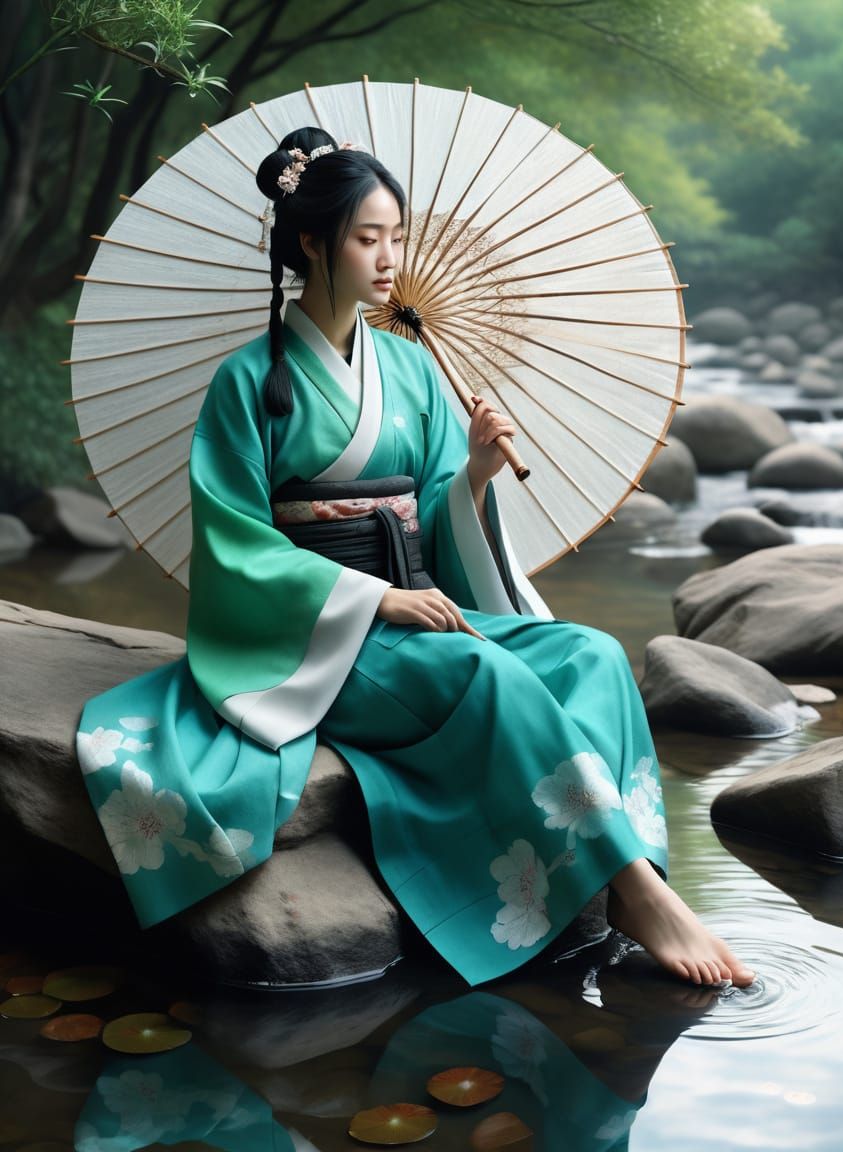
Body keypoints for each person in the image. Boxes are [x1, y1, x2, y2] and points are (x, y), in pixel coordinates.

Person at [75, 126, 754, 990]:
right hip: (327, 639)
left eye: (398, 235)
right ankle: (633, 889)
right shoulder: (249, 382)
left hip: (422, 606)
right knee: (490, 677)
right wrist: (371, 600)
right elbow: (235, 541)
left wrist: (471, 473)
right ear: (312, 243)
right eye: (369, 238)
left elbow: (433, 521)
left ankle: (637, 874)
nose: (391, 257)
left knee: (589, 655)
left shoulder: (411, 366)